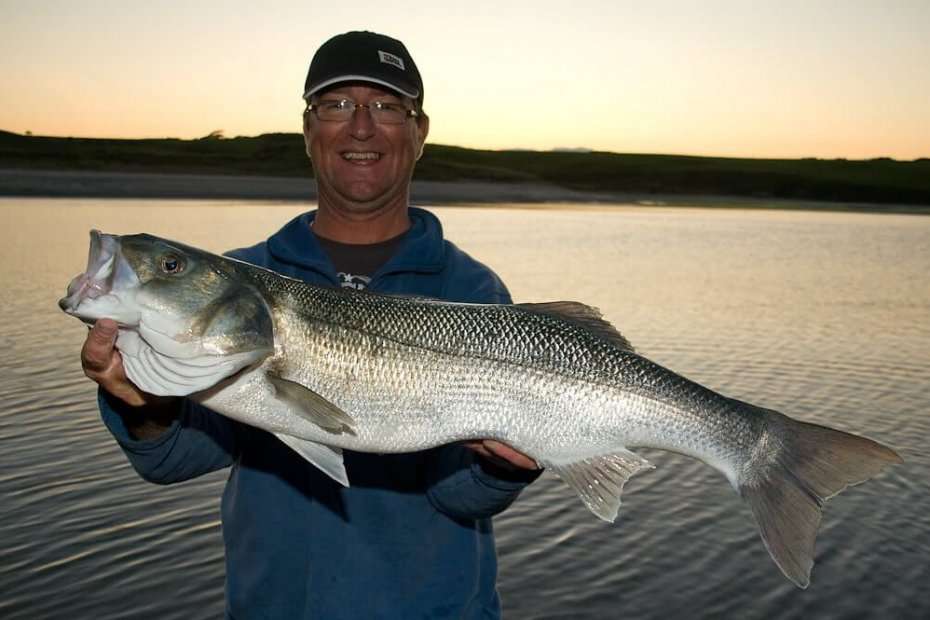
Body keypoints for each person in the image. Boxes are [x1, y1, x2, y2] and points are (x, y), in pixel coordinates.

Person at [80, 31, 541, 619]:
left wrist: (504, 464)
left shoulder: (471, 294)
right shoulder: (242, 279)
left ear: (419, 132)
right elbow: (175, 462)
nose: (361, 127)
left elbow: (459, 496)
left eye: (386, 106)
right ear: (308, 131)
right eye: (337, 105)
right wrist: (144, 404)